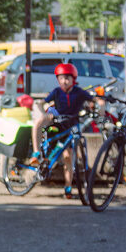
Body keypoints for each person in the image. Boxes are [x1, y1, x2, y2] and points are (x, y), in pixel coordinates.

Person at [28, 63, 97, 196]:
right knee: (38, 123)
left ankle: (68, 187)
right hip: (58, 125)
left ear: (73, 79)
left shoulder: (79, 92)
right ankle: (36, 153)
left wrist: (96, 105)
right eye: (61, 78)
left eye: (67, 78)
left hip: (71, 127)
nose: (64, 81)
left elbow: (93, 99)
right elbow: (42, 102)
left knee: (68, 157)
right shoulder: (56, 92)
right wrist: (44, 113)